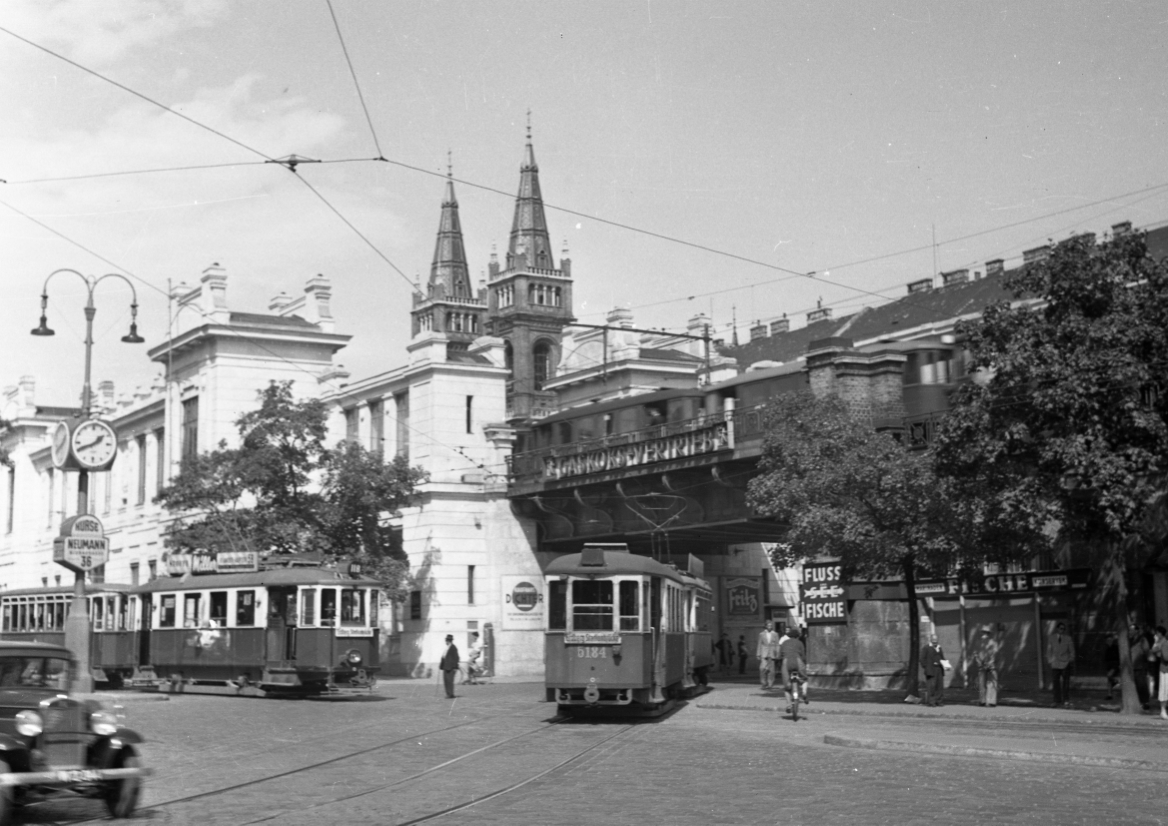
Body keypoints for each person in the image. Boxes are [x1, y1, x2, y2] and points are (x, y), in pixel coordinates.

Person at [778, 626, 807, 712]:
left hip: (786, 662)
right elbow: (804, 657)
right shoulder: (800, 643)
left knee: (787, 687)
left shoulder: (784, 643)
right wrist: (804, 664)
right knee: (804, 678)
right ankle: (804, 692)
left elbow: (779, 656)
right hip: (798, 661)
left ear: (789, 635)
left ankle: (788, 705)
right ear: (797, 636)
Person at [1046, 622, 1075, 708]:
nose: (1062, 630)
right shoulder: (1051, 638)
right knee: (1056, 683)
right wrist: (1050, 660)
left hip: (1065, 663)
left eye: (1063, 629)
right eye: (1060, 628)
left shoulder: (1068, 638)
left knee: (1065, 683)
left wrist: (1070, 660)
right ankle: (1056, 700)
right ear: (1057, 629)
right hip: (1055, 663)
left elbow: (1072, 651)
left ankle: (1066, 700)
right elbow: (1049, 650)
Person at [973, 625, 999, 707]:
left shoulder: (990, 642)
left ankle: (985, 701)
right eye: (984, 632)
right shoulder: (991, 642)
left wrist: (981, 662)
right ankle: (988, 701)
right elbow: (976, 654)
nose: (984, 634)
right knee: (988, 683)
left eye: (985, 632)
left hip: (987, 664)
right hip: (987, 664)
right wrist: (981, 662)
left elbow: (976, 654)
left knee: (984, 683)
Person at [921, 634, 947, 707]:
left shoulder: (939, 648)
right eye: (933, 640)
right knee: (931, 686)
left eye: (936, 640)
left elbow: (942, 658)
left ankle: (939, 701)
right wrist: (927, 667)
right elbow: (922, 659)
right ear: (931, 640)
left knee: (939, 686)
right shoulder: (926, 648)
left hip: (939, 669)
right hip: (931, 670)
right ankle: (931, 702)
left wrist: (945, 664)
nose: (935, 642)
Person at [1130, 624, 1152, 709]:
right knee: (1135, 685)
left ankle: (1145, 702)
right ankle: (1139, 702)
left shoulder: (1142, 640)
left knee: (1142, 684)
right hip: (1132, 667)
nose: (1130, 632)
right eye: (1130, 630)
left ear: (1136, 630)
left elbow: (1147, 651)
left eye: (1132, 630)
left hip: (1140, 666)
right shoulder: (1130, 641)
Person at [756, 620, 782, 690]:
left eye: (771, 625)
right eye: (768, 625)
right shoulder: (761, 634)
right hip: (764, 654)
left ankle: (770, 684)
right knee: (762, 669)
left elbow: (777, 644)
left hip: (772, 654)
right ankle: (763, 683)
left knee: (771, 670)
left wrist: (778, 653)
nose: (770, 627)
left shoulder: (775, 634)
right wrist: (758, 654)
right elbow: (759, 644)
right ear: (766, 626)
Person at [1152, 625, 1168, 721]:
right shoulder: (1164, 643)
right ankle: (1163, 711)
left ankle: (1163, 711)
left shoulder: (1164, 642)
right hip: (1165, 670)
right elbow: (1166, 657)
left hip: (1164, 669)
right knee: (1164, 690)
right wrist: (1156, 642)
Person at [439, 634, 459, 699]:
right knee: (446, 681)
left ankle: (450, 694)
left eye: (446, 640)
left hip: (451, 667)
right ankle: (448, 693)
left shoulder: (453, 648)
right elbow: (444, 656)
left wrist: (455, 667)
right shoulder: (447, 648)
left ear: (449, 641)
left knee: (450, 681)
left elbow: (456, 658)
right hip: (445, 666)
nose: (446, 642)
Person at [1103, 632, 1120, 701]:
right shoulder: (1107, 648)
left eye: (1110, 640)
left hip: (1114, 664)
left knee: (1109, 675)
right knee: (1109, 680)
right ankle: (1109, 695)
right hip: (1108, 664)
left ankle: (1115, 681)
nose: (1109, 642)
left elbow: (1117, 657)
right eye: (1107, 640)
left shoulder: (1115, 647)